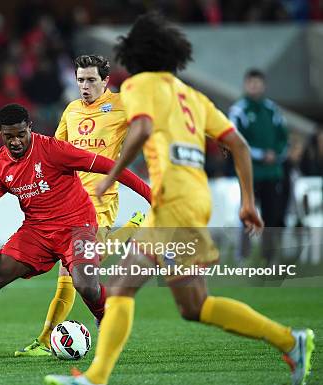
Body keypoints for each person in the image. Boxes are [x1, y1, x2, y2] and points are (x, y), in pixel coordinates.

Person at [45, 13, 314, 385]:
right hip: (191, 198)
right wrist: (248, 201)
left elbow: (141, 128)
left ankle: (95, 378)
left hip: (172, 201)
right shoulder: (192, 96)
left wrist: (111, 174)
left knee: (127, 288)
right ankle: (290, 340)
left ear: (133, 53)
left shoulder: (139, 86)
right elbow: (237, 143)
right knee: (191, 305)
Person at [0, 103, 151, 364]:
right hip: (37, 231)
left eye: (21, 134)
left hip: (78, 226)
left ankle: (105, 320)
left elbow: (110, 166)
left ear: (29, 128)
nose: (16, 141)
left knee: (85, 284)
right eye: (9, 136)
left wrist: (152, 196)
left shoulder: (54, 150)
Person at [16, 54, 146, 357]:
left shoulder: (123, 105)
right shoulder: (72, 110)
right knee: (68, 276)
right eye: (80, 80)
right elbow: (53, 150)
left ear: (105, 81)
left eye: (90, 80)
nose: (84, 86)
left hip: (100, 201)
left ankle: (132, 228)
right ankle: (46, 340)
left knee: (82, 270)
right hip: (70, 202)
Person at [229, 69, 288, 264]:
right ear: (246, 85)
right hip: (249, 173)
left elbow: (283, 138)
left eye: (258, 83)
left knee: (272, 215)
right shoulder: (239, 110)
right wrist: (261, 154)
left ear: (264, 85)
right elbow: (234, 140)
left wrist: (276, 153)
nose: (254, 86)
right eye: (251, 83)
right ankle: (243, 256)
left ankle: (269, 256)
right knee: (247, 213)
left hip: (272, 173)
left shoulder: (272, 110)